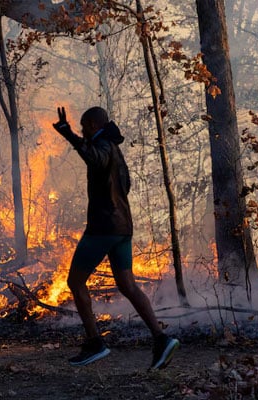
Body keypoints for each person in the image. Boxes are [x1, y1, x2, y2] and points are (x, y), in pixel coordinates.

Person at [52, 106, 179, 369]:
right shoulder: (114, 147)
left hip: (103, 228)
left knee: (75, 282)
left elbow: (94, 159)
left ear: (93, 123)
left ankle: (94, 343)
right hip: (123, 228)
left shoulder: (103, 145)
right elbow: (126, 184)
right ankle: (161, 339)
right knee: (128, 286)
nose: (83, 130)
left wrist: (69, 135)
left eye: (84, 126)